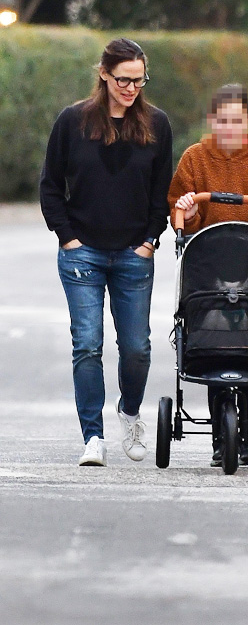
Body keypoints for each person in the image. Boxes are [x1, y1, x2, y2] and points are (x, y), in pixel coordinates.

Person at [40, 37, 173, 468]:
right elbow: (50, 186)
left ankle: (130, 413)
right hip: (82, 254)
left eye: (139, 80)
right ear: (104, 74)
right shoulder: (72, 122)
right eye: (123, 79)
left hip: (135, 253)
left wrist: (151, 239)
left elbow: (161, 192)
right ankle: (92, 437)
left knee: (137, 348)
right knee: (88, 345)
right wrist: (66, 236)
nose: (131, 88)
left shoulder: (156, 125)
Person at [168, 83, 248, 467]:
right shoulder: (195, 158)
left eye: (237, 121)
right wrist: (187, 211)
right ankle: (221, 439)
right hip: (208, 271)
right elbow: (177, 211)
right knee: (213, 341)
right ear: (212, 121)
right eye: (222, 121)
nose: (229, 128)